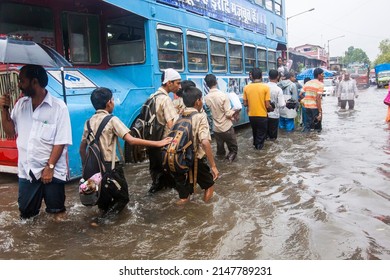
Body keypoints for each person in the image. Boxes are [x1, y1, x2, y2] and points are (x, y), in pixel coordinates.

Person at [80, 87, 172, 223]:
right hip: (112, 170)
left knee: (103, 203)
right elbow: (131, 140)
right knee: (123, 198)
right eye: (112, 99)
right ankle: (100, 222)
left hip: (95, 172)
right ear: (108, 103)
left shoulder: (88, 122)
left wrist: (87, 169)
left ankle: (103, 223)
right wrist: (158, 143)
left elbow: (82, 149)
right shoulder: (112, 120)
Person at [0, 64, 72, 220]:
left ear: (34, 82)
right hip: (27, 171)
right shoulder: (20, 105)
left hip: (52, 171)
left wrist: (50, 167)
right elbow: (10, 131)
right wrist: (4, 109)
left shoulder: (59, 107)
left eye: (21, 81)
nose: (19, 85)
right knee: (26, 216)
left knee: (57, 214)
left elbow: (61, 141)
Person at [173, 86, 219, 204]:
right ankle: (206, 212)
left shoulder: (179, 116)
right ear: (198, 101)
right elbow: (204, 142)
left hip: (178, 160)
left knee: (184, 197)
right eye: (201, 99)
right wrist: (213, 166)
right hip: (195, 159)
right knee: (209, 185)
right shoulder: (200, 117)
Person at [147, 68, 180, 194]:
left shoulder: (153, 96)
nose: (179, 86)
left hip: (152, 142)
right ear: (169, 83)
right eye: (177, 83)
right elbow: (172, 125)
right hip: (163, 144)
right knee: (170, 178)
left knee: (157, 175)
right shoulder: (165, 99)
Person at [204, 74, 238, 162]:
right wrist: (235, 110)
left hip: (216, 129)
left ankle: (220, 166)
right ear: (216, 82)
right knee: (233, 149)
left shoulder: (206, 97)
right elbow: (228, 114)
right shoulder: (223, 95)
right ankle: (229, 165)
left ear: (207, 85)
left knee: (220, 152)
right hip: (226, 127)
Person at [243, 67, 273, 150]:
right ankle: (258, 153)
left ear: (251, 76)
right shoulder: (265, 88)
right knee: (261, 137)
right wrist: (271, 108)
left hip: (251, 116)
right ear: (261, 76)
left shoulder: (246, 87)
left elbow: (245, 104)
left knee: (255, 133)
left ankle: (255, 148)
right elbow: (267, 105)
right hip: (262, 115)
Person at [300, 68, 324, 133]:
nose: (323, 75)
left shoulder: (307, 83)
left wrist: (307, 99)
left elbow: (300, 94)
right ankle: (314, 141)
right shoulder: (320, 84)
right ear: (318, 75)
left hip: (306, 107)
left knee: (307, 126)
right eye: (322, 74)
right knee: (317, 128)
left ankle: (307, 139)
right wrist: (319, 111)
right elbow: (318, 98)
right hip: (315, 108)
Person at [267, 69, 286, 140]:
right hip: (274, 116)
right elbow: (281, 104)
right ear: (278, 77)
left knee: (265, 137)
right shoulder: (278, 89)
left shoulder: (264, 87)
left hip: (264, 115)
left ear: (269, 77)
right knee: (272, 138)